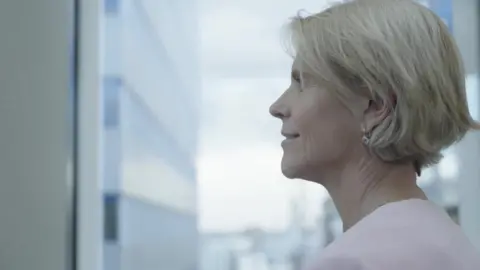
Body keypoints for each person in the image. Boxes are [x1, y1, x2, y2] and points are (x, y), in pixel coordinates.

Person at [269, 0, 480, 269]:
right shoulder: (448, 242)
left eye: (301, 83)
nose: (276, 107)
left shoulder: (354, 260)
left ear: (375, 107)